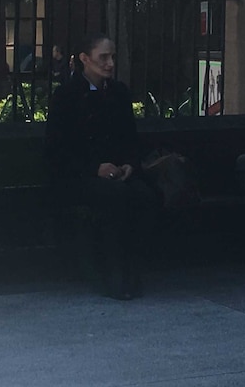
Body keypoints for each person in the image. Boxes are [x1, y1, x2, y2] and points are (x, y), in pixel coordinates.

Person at [45, 33, 159, 300]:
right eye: (103, 57)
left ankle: (128, 268)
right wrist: (94, 168)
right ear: (85, 59)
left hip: (116, 174)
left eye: (112, 57)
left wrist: (129, 165)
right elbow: (57, 149)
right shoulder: (66, 96)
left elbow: (130, 139)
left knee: (144, 196)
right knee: (115, 199)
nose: (109, 64)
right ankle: (110, 271)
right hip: (77, 176)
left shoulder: (118, 93)